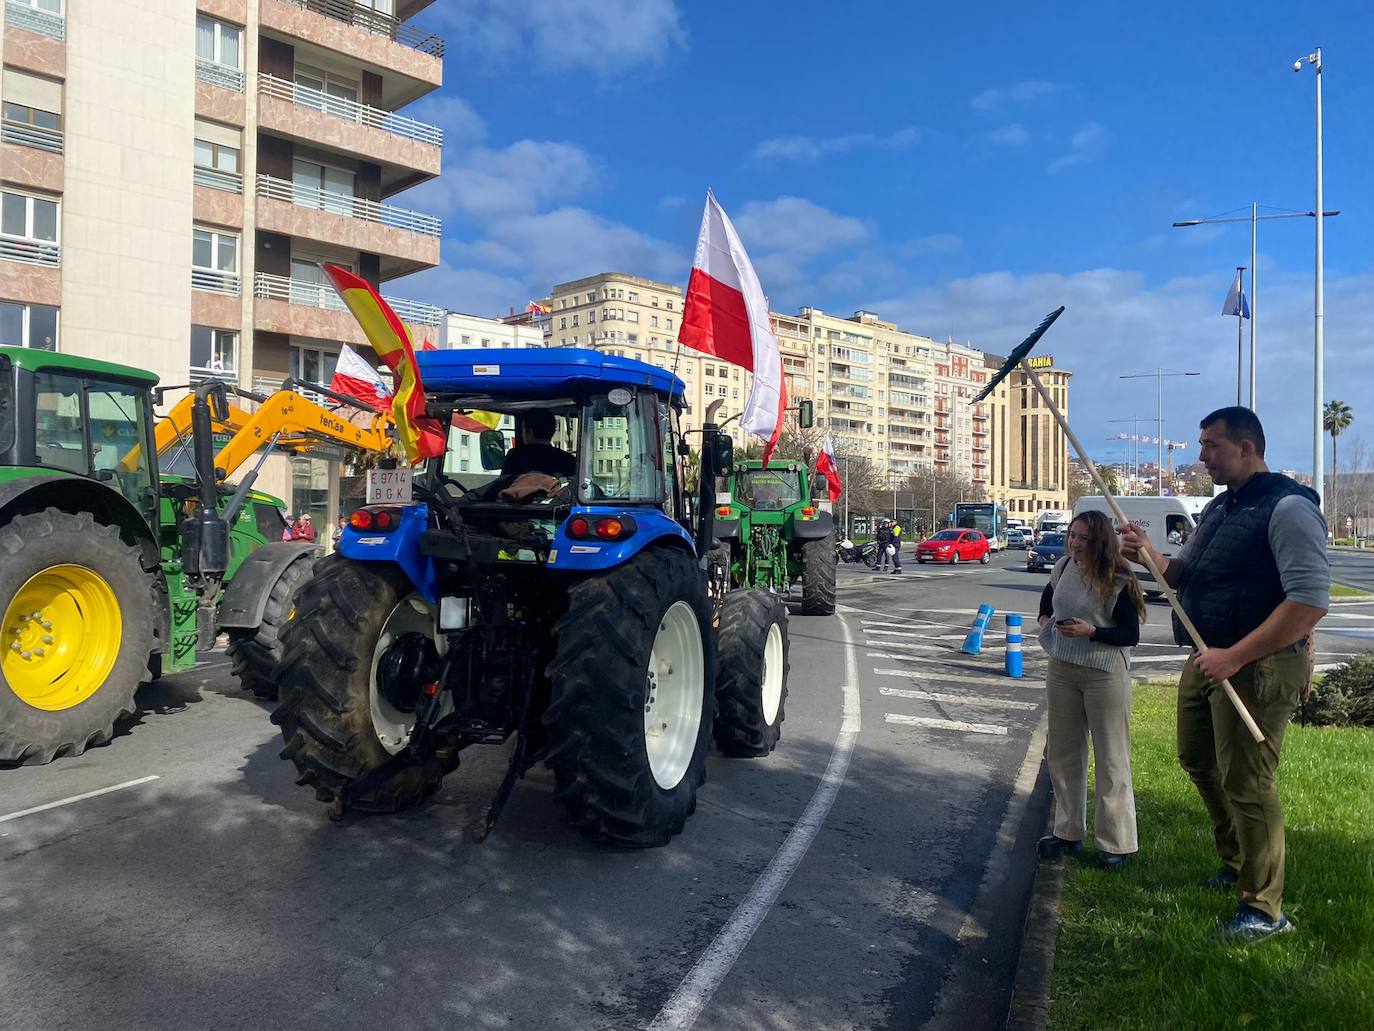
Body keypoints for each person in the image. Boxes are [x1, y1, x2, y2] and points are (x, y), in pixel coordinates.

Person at [1120, 406, 1329, 942]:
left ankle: (1263, 909)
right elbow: (1183, 572)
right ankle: (1236, 862)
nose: (1202, 454)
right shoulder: (1218, 509)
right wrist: (1147, 555)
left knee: (1249, 781)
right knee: (1197, 759)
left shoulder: (1288, 507)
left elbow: (1307, 602)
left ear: (1247, 447)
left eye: (1212, 444)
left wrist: (1235, 656)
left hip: (1255, 666)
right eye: (1202, 444)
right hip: (1208, 657)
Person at [1036, 510, 1145, 870]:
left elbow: (1130, 635)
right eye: (1072, 535)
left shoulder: (1119, 577)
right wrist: (1045, 622)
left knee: (1111, 757)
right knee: (1064, 752)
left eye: (1083, 537)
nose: (1074, 542)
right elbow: (1049, 597)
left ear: (1099, 541)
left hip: (1104, 671)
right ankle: (1067, 831)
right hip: (1062, 667)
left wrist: (1092, 632)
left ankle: (1117, 843)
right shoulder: (1064, 566)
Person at [501, 408, 576, 479]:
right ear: (553, 431)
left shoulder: (514, 456)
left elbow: (503, 484)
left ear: (530, 431)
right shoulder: (567, 459)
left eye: (522, 430)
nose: (521, 435)